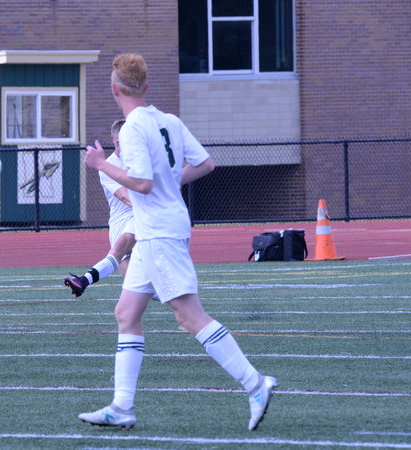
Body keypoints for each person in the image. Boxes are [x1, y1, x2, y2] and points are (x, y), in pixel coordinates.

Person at [77, 53, 277, 431]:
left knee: (189, 316)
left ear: (114, 89)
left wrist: (101, 164)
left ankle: (255, 384)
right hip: (158, 228)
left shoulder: (133, 127)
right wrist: (169, 183)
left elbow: (143, 183)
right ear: (146, 85)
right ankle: (122, 406)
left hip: (158, 232)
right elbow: (205, 164)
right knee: (126, 313)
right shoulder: (168, 120)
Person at [64, 119, 136, 297]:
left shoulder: (141, 160)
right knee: (135, 284)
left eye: (126, 141)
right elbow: (125, 197)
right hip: (122, 221)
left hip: (140, 218)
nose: (123, 146)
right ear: (112, 140)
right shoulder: (107, 167)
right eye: (118, 142)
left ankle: (83, 280)